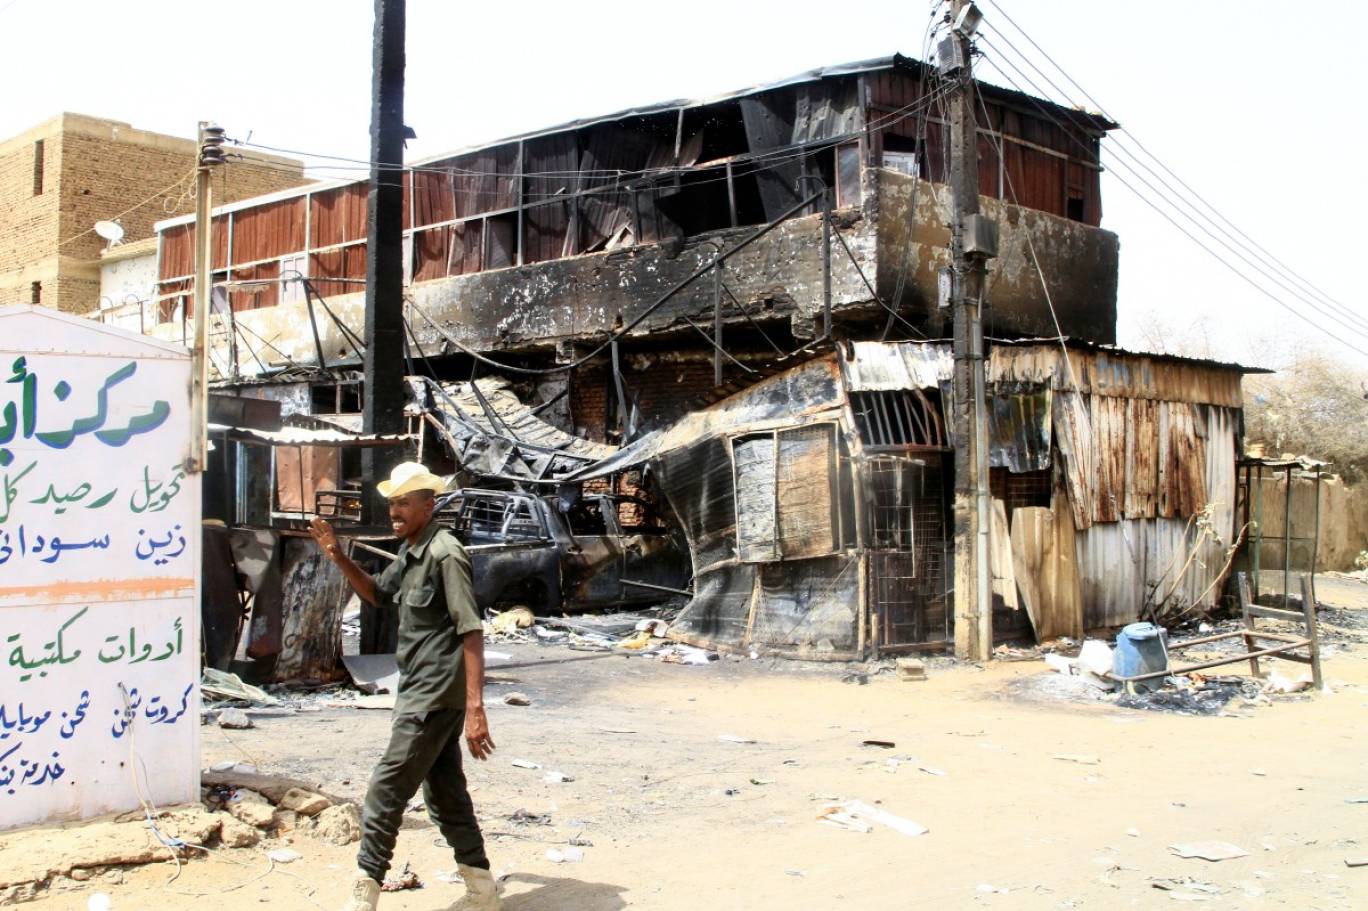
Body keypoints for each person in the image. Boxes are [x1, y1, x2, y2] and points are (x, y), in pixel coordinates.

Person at [310, 461, 500, 911]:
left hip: (434, 694)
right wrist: (337, 555)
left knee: (386, 788)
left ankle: (365, 890)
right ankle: (482, 890)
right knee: (445, 794)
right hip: (418, 689)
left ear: (428, 506)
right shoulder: (413, 550)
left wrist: (476, 708)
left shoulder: (445, 554)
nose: (395, 512)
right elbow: (377, 594)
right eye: (392, 503)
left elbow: (471, 630)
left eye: (404, 503)